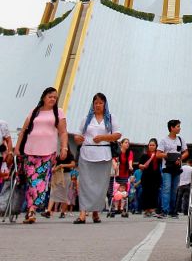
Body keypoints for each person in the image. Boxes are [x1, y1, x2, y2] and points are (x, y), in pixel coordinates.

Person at [13, 87, 68, 224]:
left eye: (55, 97)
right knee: (32, 181)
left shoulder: (59, 113)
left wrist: (64, 147)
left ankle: (32, 209)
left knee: (41, 182)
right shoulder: (34, 111)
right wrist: (17, 148)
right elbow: (24, 130)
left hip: (47, 152)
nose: (53, 99)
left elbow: (63, 132)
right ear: (44, 97)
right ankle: (31, 208)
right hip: (30, 151)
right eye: (50, 96)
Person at [72, 93, 122, 224]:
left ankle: (95, 212)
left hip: (103, 154)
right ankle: (83, 213)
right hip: (87, 153)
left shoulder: (110, 118)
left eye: (100, 103)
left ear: (105, 104)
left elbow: (117, 135)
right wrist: (78, 139)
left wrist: (103, 138)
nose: (98, 105)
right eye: (96, 103)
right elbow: (77, 135)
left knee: (100, 184)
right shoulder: (86, 119)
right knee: (85, 183)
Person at [156, 120, 188, 219]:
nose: (179, 128)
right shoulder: (164, 140)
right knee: (166, 189)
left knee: (174, 190)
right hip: (167, 168)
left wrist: (179, 158)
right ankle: (164, 210)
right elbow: (158, 154)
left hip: (177, 168)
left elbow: (186, 152)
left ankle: (173, 210)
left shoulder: (181, 139)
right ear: (172, 128)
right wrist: (169, 155)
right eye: (178, 126)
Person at [44, 149, 75, 219]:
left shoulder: (70, 155)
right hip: (57, 175)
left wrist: (62, 165)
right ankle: (48, 211)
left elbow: (73, 164)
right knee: (53, 192)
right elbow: (56, 164)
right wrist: (53, 168)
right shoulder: (58, 155)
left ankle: (63, 212)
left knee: (64, 194)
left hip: (66, 175)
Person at [138, 138, 162, 217]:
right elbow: (140, 165)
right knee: (146, 193)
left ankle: (153, 209)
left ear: (156, 146)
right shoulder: (144, 155)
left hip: (156, 177)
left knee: (154, 193)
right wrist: (142, 166)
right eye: (150, 145)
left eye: (153, 145)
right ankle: (146, 210)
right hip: (146, 177)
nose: (151, 146)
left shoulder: (158, 156)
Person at [115, 138, 133, 217]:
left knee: (124, 193)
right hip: (117, 175)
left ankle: (122, 208)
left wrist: (130, 166)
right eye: (125, 142)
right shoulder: (117, 152)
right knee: (116, 192)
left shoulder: (130, 152)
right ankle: (116, 208)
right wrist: (115, 166)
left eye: (128, 143)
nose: (127, 144)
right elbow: (114, 160)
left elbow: (130, 160)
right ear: (121, 144)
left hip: (125, 175)